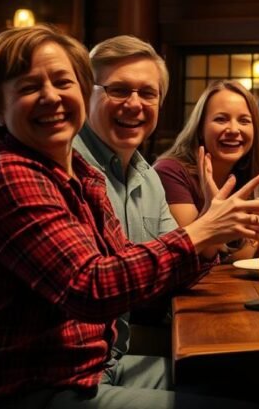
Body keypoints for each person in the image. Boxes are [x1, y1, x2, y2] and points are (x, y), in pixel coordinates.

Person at [0, 24, 259, 408]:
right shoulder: (7, 172)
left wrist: (209, 238)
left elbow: (157, 273)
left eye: (62, 82)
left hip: (104, 362)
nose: (51, 97)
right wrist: (200, 232)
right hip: (42, 385)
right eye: (28, 87)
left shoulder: (89, 176)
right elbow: (90, 286)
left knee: (256, 382)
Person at [71, 35, 178, 370]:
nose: (135, 104)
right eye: (118, 90)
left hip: (120, 353)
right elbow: (95, 285)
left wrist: (219, 236)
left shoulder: (149, 177)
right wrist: (204, 232)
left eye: (148, 93)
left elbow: (172, 265)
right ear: (86, 93)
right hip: (75, 369)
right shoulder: (67, 165)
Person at [155, 80, 259, 260]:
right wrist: (213, 206)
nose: (233, 129)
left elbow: (245, 257)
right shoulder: (170, 172)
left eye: (244, 121)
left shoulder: (246, 174)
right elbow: (200, 254)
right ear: (200, 128)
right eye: (221, 119)